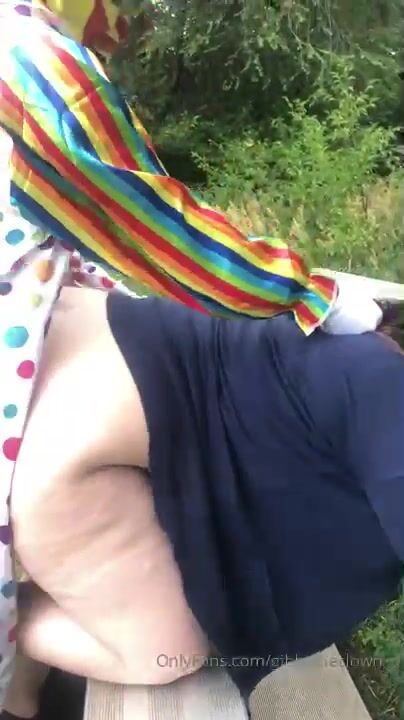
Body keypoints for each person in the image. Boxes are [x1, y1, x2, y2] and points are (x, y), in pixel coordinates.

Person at [0, 0, 390, 715]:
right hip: (36, 389)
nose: (127, 22)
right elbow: (142, 219)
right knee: (165, 647)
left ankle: (22, 684)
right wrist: (303, 293)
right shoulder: (27, 57)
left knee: (166, 638)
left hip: (53, 382)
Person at [2, 284, 404, 720]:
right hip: (66, 434)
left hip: (69, 339)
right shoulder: (385, 387)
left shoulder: (344, 341)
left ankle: (21, 692)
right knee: (165, 651)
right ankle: (14, 622)